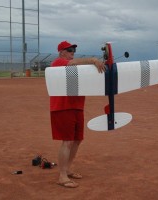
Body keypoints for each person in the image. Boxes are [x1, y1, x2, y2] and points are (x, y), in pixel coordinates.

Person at [50, 41, 106, 188]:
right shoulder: (58, 63)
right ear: (61, 52)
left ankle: (67, 169)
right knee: (67, 141)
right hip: (62, 108)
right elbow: (74, 63)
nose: (72, 52)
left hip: (77, 107)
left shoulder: (76, 67)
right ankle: (62, 176)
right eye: (69, 50)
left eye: (73, 50)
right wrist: (94, 60)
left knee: (77, 140)